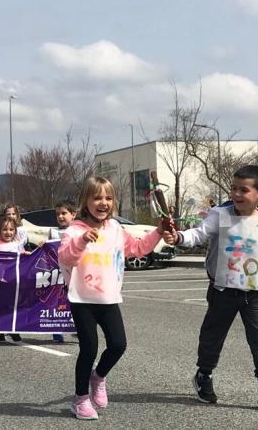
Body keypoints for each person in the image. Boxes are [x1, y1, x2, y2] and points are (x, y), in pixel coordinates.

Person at [163, 165, 258, 406]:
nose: (236, 194)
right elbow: (197, 235)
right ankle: (204, 375)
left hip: (255, 291)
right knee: (213, 336)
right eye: (234, 189)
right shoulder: (219, 215)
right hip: (223, 289)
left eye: (244, 190)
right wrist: (178, 237)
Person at [58, 176, 168, 419]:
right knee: (89, 348)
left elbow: (138, 248)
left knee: (118, 345)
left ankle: (98, 377)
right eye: (97, 197)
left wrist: (159, 232)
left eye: (108, 198)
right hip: (82, 299)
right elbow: (65, 257)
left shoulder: (116, 228)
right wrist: (81, 241)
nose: (103, 202)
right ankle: (80, 399)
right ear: (85, 201)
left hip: (108, 298)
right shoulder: (74, 230)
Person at [0, 214, 26, 343]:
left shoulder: (17, 244)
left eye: (11, 230)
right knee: (0, 306)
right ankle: (0, 330)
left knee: (13, 306)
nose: (8, 232)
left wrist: (41, 250)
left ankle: (13, 329)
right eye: (4, 229)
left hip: (14, 281)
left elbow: (26, 257)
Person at [48, 200, 77, 343]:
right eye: (58, 214)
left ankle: (78, 328)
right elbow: (47, 253)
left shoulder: (78, 231)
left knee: (76, 302)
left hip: (75, 274)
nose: (60, 216)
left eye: (64, 213)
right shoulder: (53, 232)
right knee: (57, 302)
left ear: (73, 215)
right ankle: (56, 329)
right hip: (57, 274)